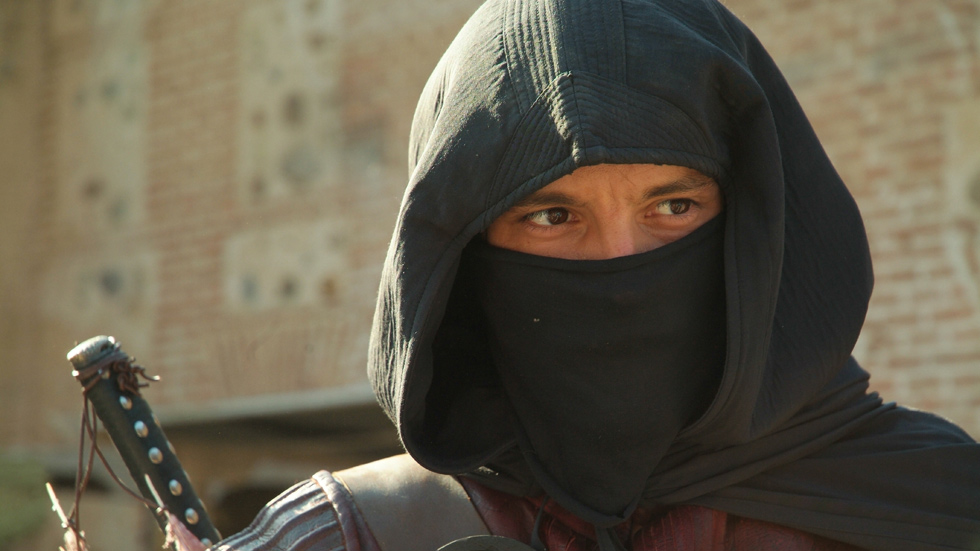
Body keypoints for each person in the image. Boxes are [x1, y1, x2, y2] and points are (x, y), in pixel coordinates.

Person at [215, 0, 980, 549]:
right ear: (468, 257)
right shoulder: (352, 533)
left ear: (755, 225)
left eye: (673, 206)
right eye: (552, 216)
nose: (621, 264)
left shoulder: (943, 506)